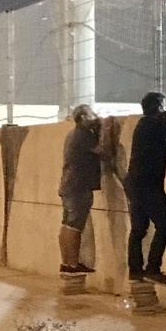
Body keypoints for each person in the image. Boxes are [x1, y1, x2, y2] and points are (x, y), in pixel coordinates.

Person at [124, 91, 166, 285]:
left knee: (139, 228)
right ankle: (153, 268)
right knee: (165, 226)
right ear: (159, 107)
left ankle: (135, 270)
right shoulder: (158, 125)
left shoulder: (142, 124)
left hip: (134, 183)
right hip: (149, 184)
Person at [57, 104, 107, 274]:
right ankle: (72, 264)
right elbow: (103, 151)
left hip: (69, 186)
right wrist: (102, 130)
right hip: (79, 187)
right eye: (93, 115)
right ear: (84, 118)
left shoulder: (72, 134)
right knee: (75, 226)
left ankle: (67, 263)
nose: (96, 117)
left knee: (67, 225)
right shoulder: (83, 135)